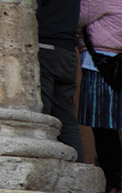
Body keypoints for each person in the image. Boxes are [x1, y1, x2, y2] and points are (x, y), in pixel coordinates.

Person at [78, 0, 122, 193]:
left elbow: (76, 17)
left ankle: (111, 186)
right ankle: (115, 186)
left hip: (99, 67)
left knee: (103, 130)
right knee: (109, 131)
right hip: (114, 66)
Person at [37, 0, 85, 162]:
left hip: (46, 47)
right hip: (68, 52)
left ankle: (41, 167)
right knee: (67, 120)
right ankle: (79, 169)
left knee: (41, 114)